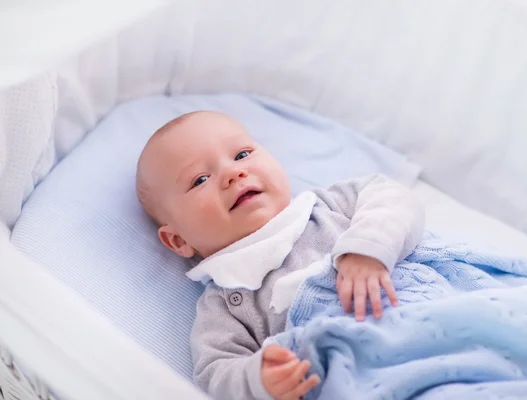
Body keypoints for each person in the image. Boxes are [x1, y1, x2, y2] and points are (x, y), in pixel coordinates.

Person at [136, 110, 424, 400]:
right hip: (367, 379)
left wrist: (368, 250)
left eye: (242, 154)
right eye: (200, 180)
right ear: (178, 240)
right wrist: (259, 378)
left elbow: (393, 198)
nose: (233, 173)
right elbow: (217, 371)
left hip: (424, 314)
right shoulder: (224, 305)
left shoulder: (326, 205)